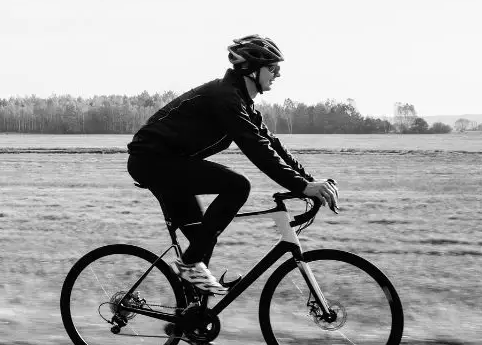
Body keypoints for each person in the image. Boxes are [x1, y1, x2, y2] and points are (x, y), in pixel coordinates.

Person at [127, 35, 338, 297]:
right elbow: (257, 150)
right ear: (251, 69)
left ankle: (190, 320)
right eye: (272, 68)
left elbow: (272, 145)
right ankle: (189, 265)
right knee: (238, 186)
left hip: (168, 163)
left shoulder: (241, 103)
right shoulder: (225, 98)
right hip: (152, 161)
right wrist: (303, 187)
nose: (278, 74)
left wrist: (309, 181)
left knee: (203, 237)